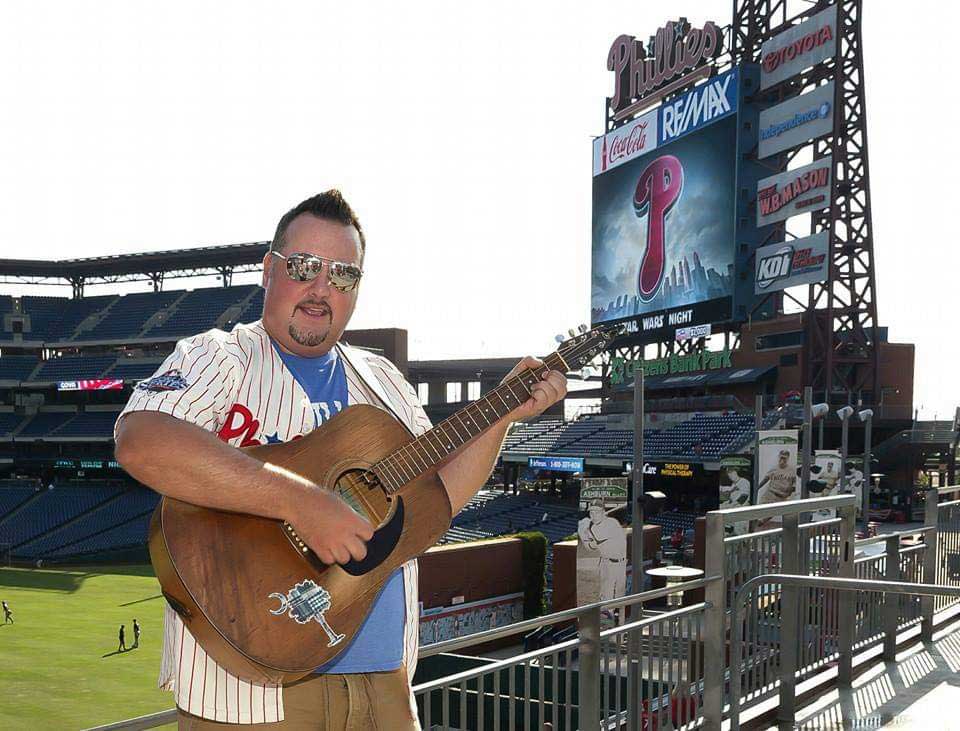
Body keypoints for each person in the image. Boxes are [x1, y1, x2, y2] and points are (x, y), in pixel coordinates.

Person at [113, 190, 567, 729]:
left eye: (343, 275)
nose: (320, 288)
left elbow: (435, 503)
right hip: (251, 693)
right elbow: (140, 440)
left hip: (386, 690)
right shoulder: (219, 357)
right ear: (269, 271)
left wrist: (502, 414)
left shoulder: (385, 381)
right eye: (304, 266)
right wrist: (301, 502)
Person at [577, 500, 627, 601]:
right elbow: (590, 547)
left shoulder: (612, 523)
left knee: (620, 595)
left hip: (621, 564)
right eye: (591, 512)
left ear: (603, 512)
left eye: (597, 512)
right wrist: (583, 533)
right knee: (607, 594)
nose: (594, 515)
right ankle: (607, 613)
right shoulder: (595, 526)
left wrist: (584, 530)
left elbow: (595, 541)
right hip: (606, 564)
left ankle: (614, 613)